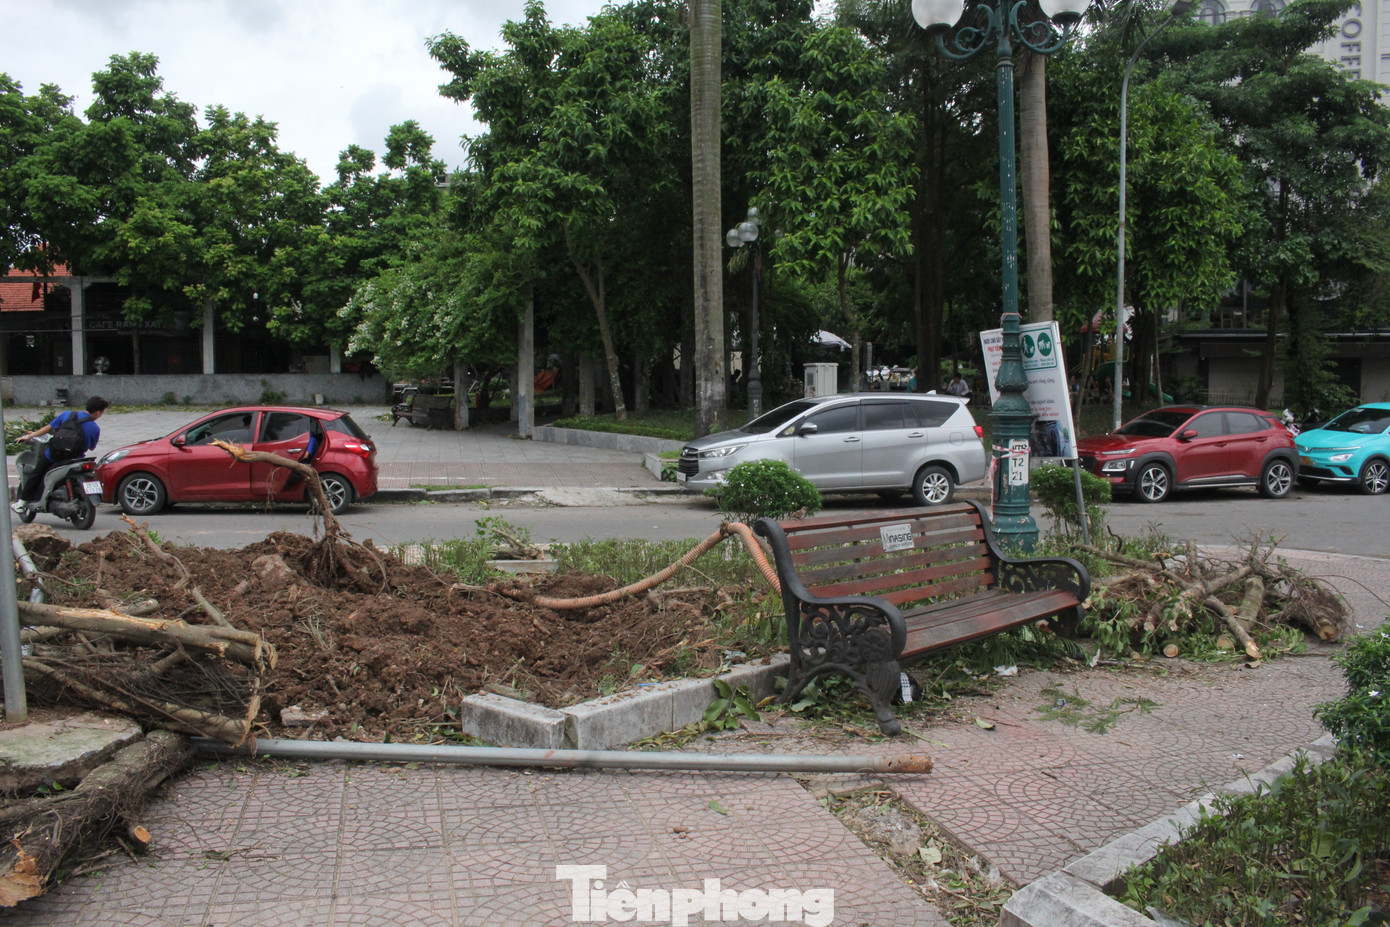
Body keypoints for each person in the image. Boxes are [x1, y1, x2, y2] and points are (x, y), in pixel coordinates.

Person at [14, 396, 109, 514]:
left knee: (36, 474)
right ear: (98, 412)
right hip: (75, 459)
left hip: (53, 456)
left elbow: (47, 428)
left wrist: (30, 436)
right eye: (102, 412)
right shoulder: (94, 428)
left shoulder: (66, 415)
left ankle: (22, 503)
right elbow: (92, 447)